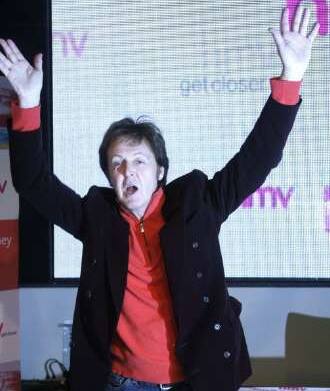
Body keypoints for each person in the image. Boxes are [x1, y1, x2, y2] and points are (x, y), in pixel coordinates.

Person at [0, 6, 319, 391]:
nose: (127, 171)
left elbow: (258, 159)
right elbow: (33, 182)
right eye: (116, 163)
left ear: (160, 171)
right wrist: (29, 102)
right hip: (121, 382)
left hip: (197, 380)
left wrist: (292, 77)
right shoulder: (97, 216)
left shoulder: (197, 205)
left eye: (138, 161)